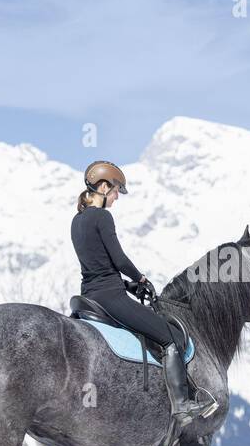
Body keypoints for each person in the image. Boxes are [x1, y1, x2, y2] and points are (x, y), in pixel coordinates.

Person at [71, 160, 210, 421]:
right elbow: (119, 259)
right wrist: (141, 278)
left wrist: (128, 285)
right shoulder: (102, 216)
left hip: (90, 295)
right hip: (110, 298)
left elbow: (98, 266)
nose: (115, 198)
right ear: (103, 187)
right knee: (169, 337)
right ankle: (182, 405)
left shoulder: (76, 221)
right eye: (115, 192)